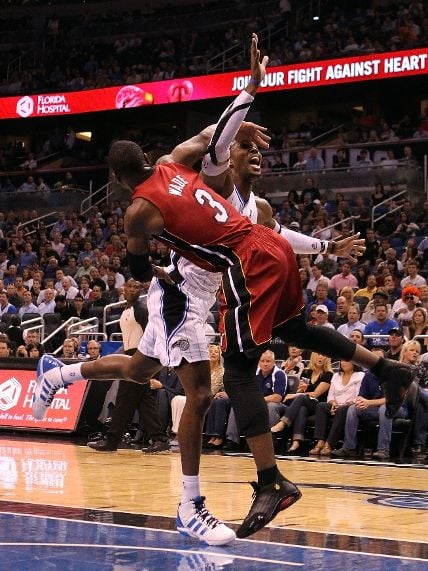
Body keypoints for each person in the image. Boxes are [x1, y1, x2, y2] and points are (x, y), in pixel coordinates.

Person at [33, 34, 414, 543]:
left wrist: (248, 97)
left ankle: (59, 373)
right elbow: (212, 139)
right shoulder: (191, 169)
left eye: (251, 152)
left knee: (156, 368)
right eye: (245, 153)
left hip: (235, 270)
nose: (252, 157)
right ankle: (196, 502)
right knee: (200, 390)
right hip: (188, 289)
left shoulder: (244, 199)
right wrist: (247, 95)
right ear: (232, 159)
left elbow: (217, 144)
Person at [88, 279, 170, 454]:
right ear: (123, 289)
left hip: (139, 356)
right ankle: (160, 439)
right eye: (130, 286)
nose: (132, 289)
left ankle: (112, 441)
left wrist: (148, 361)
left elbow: (154, 335)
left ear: (141, 290)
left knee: (124, 399)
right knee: (142, 401)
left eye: (136, 286)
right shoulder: (126, 309)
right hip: (129, 354)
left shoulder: (141, 309)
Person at [270, 353, 333, 454]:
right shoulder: (306, 372)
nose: (320, 357)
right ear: (313, 356)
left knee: (301, 399)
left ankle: (283, 423)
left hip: (320, 405)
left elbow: (316, 394)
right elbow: (301, 392)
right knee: (301, 408)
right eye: (318, 354)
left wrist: (295, 395)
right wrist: (300, 390)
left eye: (323, 355)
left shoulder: (328, 374)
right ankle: (296, 441)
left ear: (327, 358)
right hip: (306, 403)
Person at [309, 361, 364, 456]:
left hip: (350, 405)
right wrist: (333, 403)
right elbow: (330, 396)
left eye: (347, 361)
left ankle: (329, 443)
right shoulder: (336, 376)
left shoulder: (360, 376)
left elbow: (359, 396)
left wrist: (345, 404)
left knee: (342, 410)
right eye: (342, 361)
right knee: (321, 406)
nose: (344, 363)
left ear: (354, 363)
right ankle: (320, 441)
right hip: (335, 405)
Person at [204, 343, 230, 448]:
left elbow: (214, 389)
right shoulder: (203, 371)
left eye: (216, 352)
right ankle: (209, 436)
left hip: (216, 396)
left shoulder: (222, 371)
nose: (213, 353)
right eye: (210, 351)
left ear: (220, 355)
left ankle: (217, 435)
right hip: (204, 396)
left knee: (216, 401)